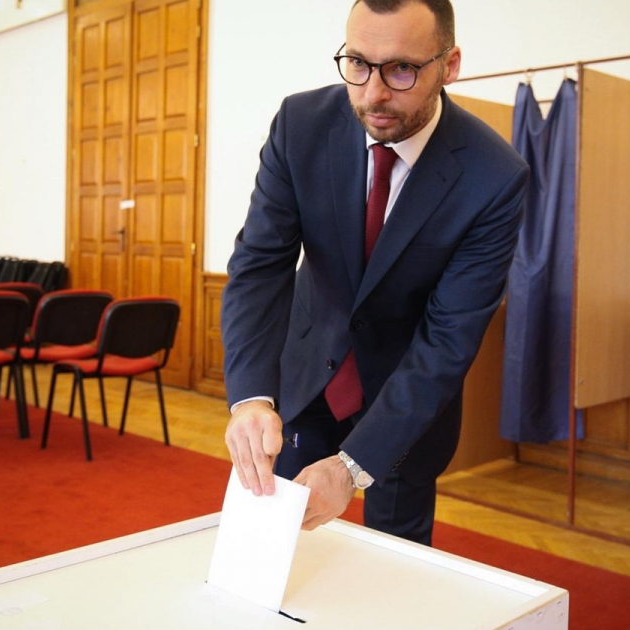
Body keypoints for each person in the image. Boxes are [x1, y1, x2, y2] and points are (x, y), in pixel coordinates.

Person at [221, 0, 529, 546]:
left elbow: (449, 338)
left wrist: (353, 466)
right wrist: (250, 397)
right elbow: (259, 266)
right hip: (305, 381)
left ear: (449, 66)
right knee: (276, 555)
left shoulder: (494, 177)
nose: (373, 94)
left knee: (396, 563)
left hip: (408, 405)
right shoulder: (301, 125)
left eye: (402, 69)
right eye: (358, 64)